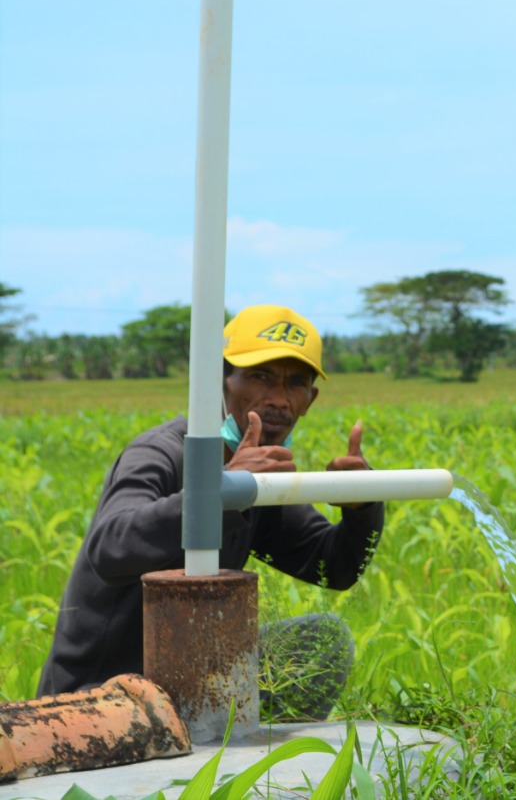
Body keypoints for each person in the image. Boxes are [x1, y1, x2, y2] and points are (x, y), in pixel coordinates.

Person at [38, 304, 382, 720]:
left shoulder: (254, 476)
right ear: (219, 381)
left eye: (295, 383)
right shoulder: (161, 453)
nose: (278, 399)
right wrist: (217, 494)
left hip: (192, 681)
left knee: (322, 642)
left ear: (310, 400)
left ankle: (242, 765)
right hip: (101, 697)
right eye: (260, 376)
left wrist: (363, 504)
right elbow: (110, 549)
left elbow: (333, 565)